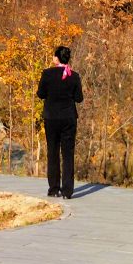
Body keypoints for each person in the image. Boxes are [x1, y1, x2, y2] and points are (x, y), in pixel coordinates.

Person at [37, 45, 83, 199]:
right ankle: (67, 191)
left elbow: (40, 94)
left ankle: (54, 188)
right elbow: (79, 98)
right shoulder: (74, 76)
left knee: (53, 152)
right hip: (69, 118)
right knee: (68, 154)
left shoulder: (47, 74)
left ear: (56, 58)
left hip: (51, 117)